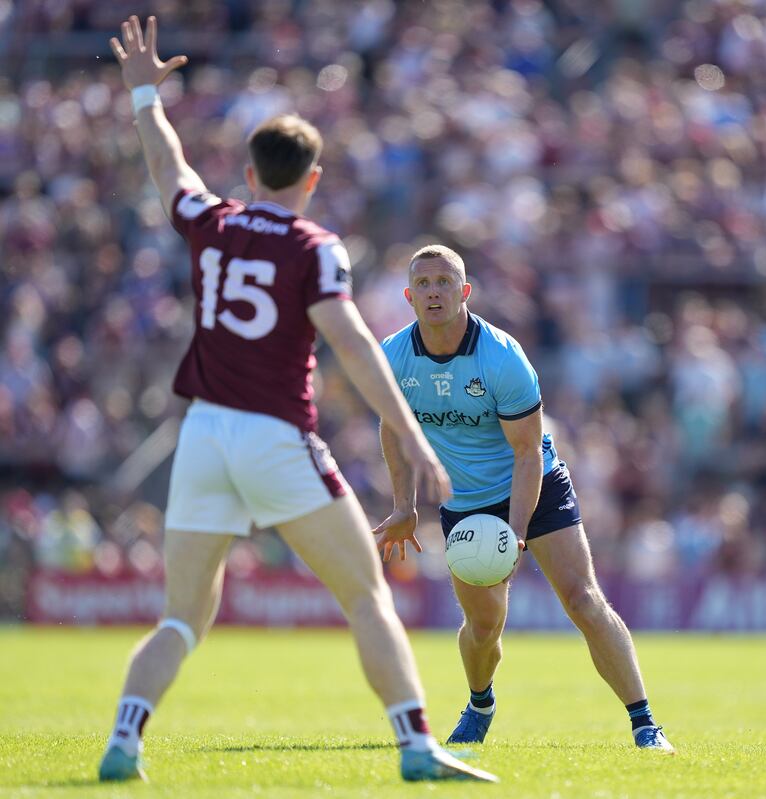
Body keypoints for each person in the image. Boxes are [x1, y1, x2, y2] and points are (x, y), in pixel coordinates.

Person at [99, 16, 497, 784]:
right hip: (277, 435)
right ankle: (417, 747)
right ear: (312, 180)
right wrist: (410, 434)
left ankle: (124, 737)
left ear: (249, 174)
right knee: (365, 595)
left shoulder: (211, 222)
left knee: (182, 614)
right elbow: (348, 340)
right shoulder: (314, 247)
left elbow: (167, 163)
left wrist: (145, 89)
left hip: (203, 435)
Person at [375, 244, 674, 753]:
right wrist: (405, 507)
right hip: (466, 500)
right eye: (422, 284)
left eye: (444, 282)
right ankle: (480, 703)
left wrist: (515, 530)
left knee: (582, 599)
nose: (433, 292)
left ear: (464, 291)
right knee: (484, 624)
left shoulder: (502, 357)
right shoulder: (393, 357)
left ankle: (646, 724)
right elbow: (393, 431)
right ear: (408, 296)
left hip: (534, 482)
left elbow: (528, 453)